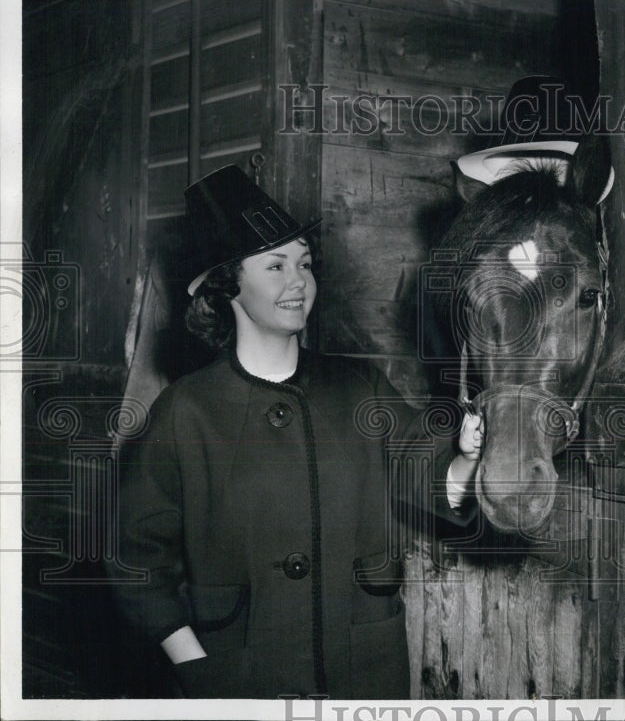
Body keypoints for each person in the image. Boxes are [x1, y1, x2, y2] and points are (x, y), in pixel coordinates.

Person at [109, 166, 480, 699]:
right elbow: (135, 560)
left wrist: (465, 456)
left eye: (305, 263)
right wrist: (196, 666)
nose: (299, 281)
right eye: (276, 265)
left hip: (364, 676)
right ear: (227, 282)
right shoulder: (184, 412)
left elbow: (428, 471)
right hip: (239, 682)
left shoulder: (361, 388)